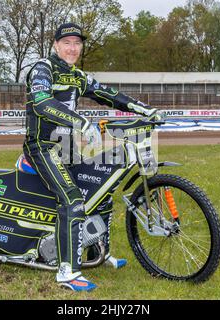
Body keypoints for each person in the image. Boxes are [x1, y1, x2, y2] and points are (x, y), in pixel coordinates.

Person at [23, 22, 163, 292]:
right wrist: (82, 122)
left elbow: (109, 95)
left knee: (102, 191)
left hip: (68, 147)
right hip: (41, 146)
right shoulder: (43, 68)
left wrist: (144, 109)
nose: (72, 48)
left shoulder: (77, 75)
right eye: (67, 43)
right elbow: (41, 102)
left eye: (77, 43)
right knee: (73, 200)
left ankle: (98, 254)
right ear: (55, 45)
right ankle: (66, 272)